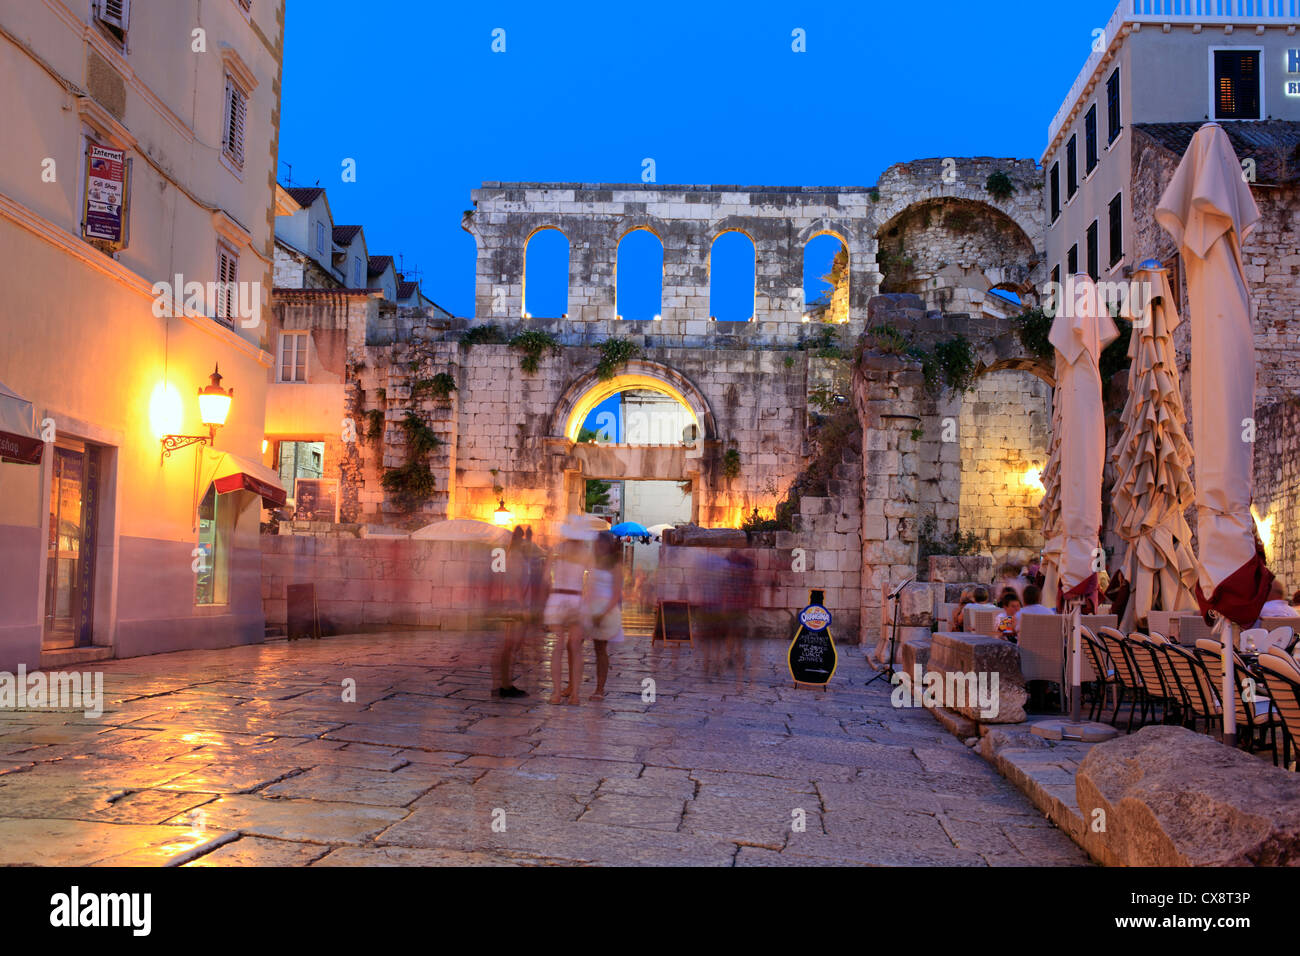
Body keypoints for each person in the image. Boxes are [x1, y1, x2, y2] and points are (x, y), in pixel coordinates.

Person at [546, 524, 593, 705]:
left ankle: (557, 693)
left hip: (558, 597)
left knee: (558, 646)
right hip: (576, 598)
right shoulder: (585, 552)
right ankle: (575, 695)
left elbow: (545, 578)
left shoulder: (556, 550)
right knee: (576, 648)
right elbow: (592, 578)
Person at [584, 531, 624, 701]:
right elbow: (589, 587)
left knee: (600, 649)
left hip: (606, 610)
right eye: (597, 543)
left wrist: (603, 613)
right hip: (591, 608)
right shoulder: (593, 562)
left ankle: (599, 689)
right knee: (580, 645)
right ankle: (572, 686)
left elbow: (616, 594)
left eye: (603, 543)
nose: (599, 546)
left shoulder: (616, 566)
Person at [493, 527, 530, 698]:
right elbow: (515, 583)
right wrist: (522, 607)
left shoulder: (510, 556)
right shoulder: (515, 557)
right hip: (516, 605)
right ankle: (505, 685)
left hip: (512, 603)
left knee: (510, 646)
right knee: (511, 646)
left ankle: (505, 683)